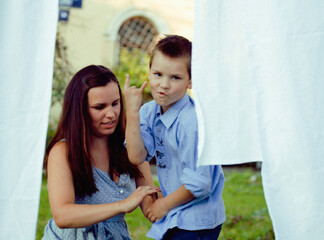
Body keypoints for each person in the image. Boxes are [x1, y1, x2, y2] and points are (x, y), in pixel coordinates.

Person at [123, 35, 226, 240]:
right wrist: (132, 113)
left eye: (175, 78)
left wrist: (163, 205)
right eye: (158, 74)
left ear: (190, 80)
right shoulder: (149, 111)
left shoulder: (191, 124)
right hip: (175, 213)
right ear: (149, 72)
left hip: (196, 219)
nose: (163, 85)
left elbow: (200, 182)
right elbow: (136, 157)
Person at [42, 65, 159, 239]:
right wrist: (122, 205)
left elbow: (152, 209)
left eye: (115, 103)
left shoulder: (132, 147)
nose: (111, 114)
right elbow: (62, 215)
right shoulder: (63, 152)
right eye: (99, 107)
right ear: (79, 110)